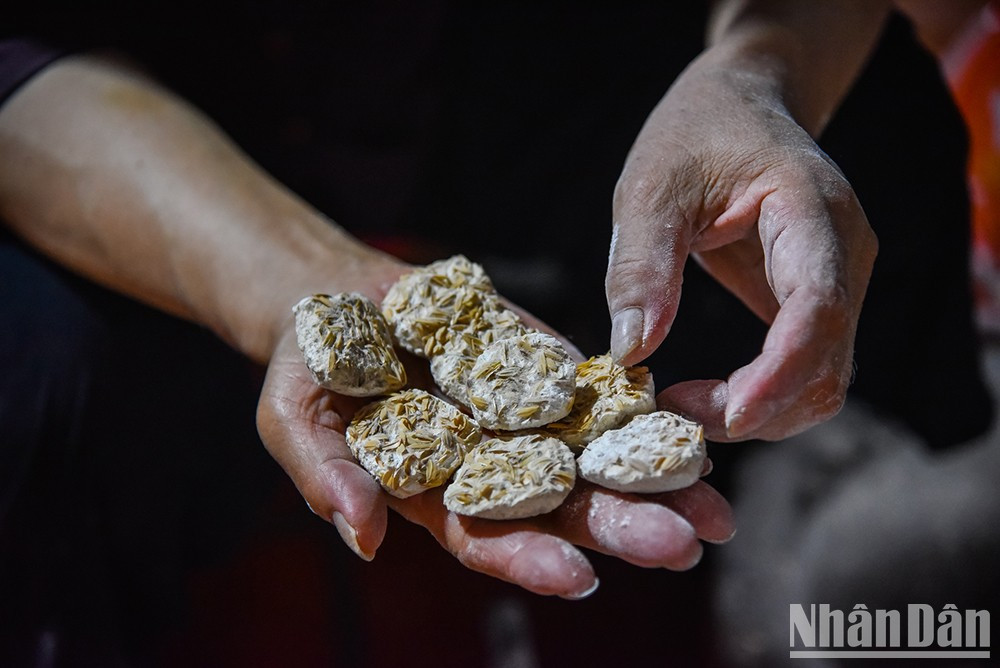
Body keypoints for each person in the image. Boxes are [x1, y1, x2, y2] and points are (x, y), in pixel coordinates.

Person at [0, 0, 991, 663]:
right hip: (154, 133)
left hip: (540, 58)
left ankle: (859, 534)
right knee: (55, 369)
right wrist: (297, 280)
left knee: (872, 138)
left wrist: (755, 66)